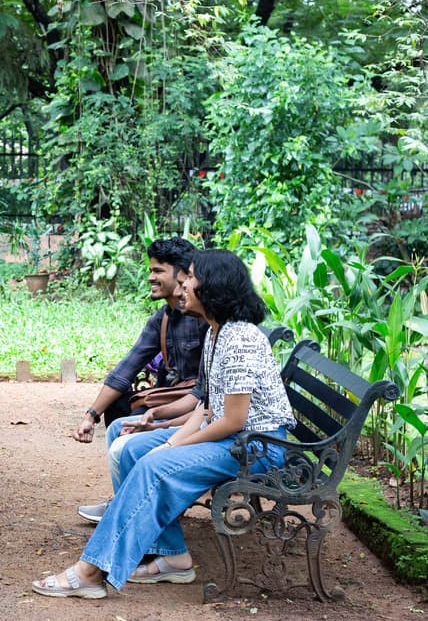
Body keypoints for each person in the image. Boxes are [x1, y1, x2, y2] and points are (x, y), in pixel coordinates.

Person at [32, 249, 296, 598]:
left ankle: (91, 571)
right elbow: (206, 407)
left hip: (260, 448)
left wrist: (173, 447)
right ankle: (173, 556)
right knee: (137, 450)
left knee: (154, 465)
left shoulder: (240, 339)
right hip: (236, 440)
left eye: (190, 278)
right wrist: (168, 439)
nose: (182, 286)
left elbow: (234, 420)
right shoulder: (217, 333)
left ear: (213, 286)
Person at [73, 237, 208, 523]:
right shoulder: (162, 318)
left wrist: (161, 420)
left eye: (158, 271)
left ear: (183, 275)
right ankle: (129, 504)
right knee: (119, 411)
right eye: (150, 270)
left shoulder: (205, 318)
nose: (150, 277)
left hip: (197, 407)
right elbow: (127, 368)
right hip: (175, 401)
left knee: (129, 429)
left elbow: (208, 397)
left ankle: (134, 510)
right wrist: (90, 415)